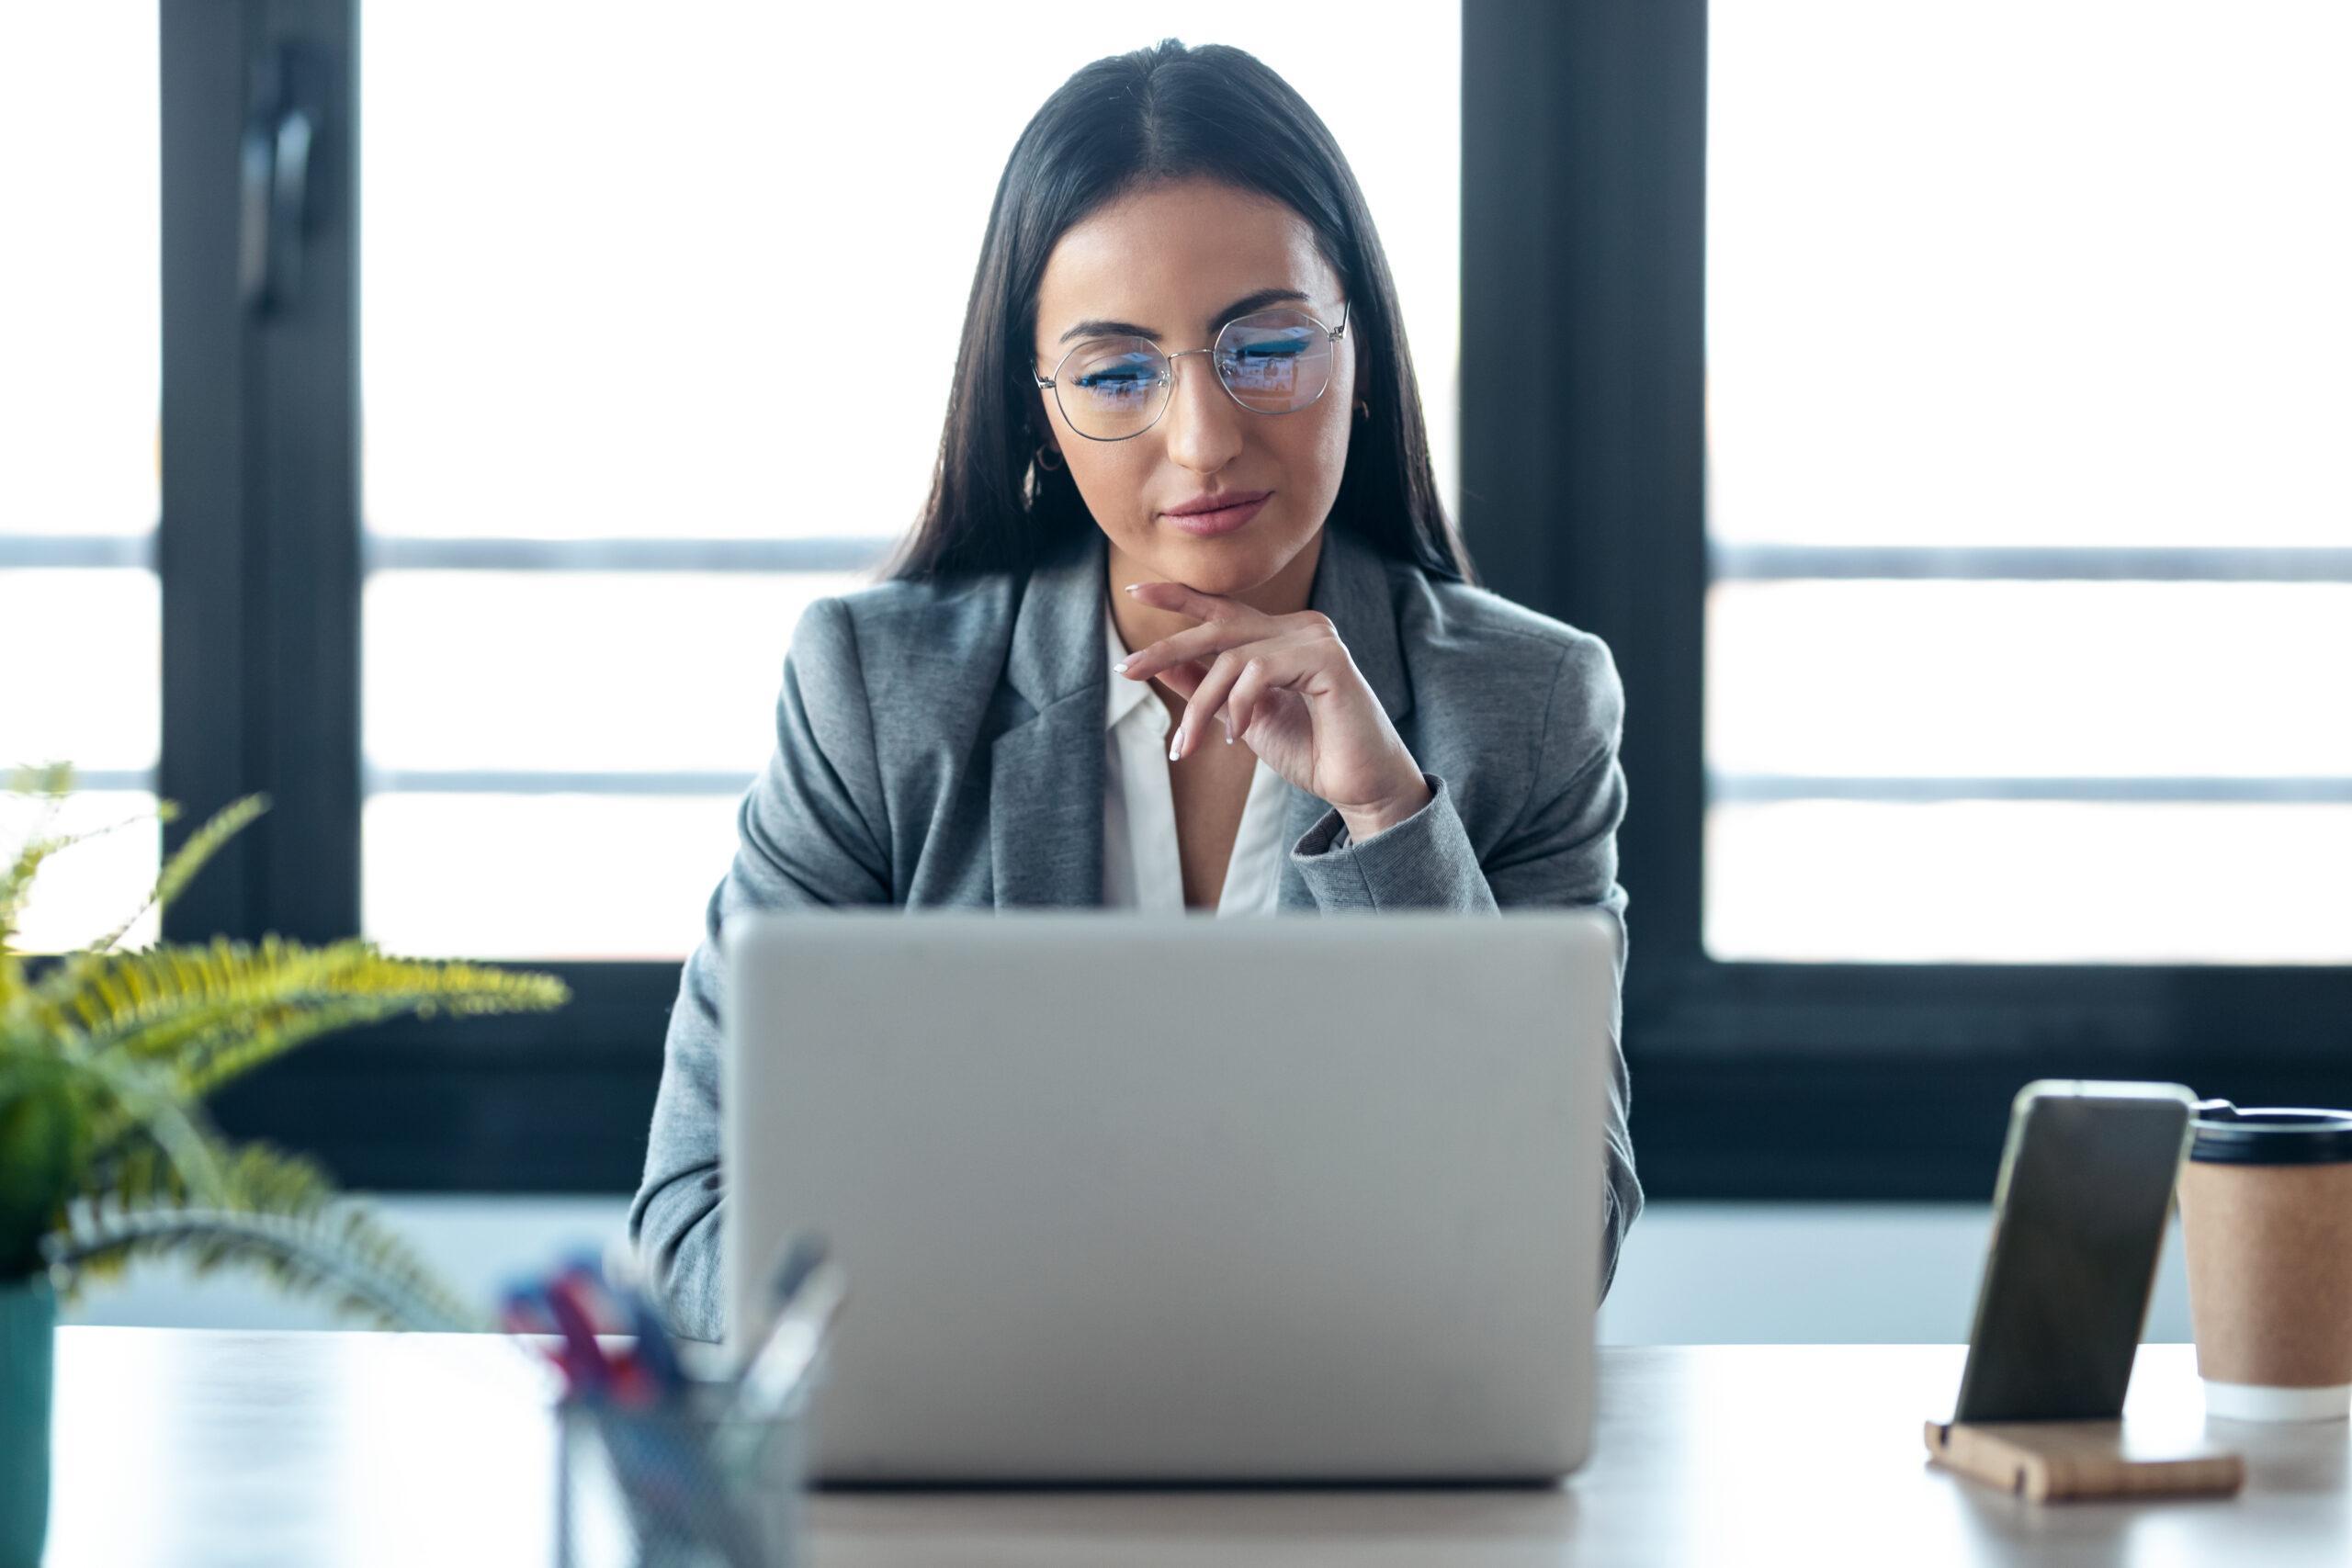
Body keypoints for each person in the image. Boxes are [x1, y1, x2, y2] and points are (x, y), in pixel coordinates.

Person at [630, 39, 1641, 1342]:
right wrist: (991, 1358)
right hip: (976, 1489)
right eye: (1117, 374)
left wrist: (1391, 817)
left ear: (1365, 353)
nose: (1204, 438)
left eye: (1265, 348)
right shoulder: (875, 696)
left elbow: (1557, 1253)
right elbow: (697, 1208)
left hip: (1360, 1492)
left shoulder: (1531, 705)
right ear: (1038, 407)